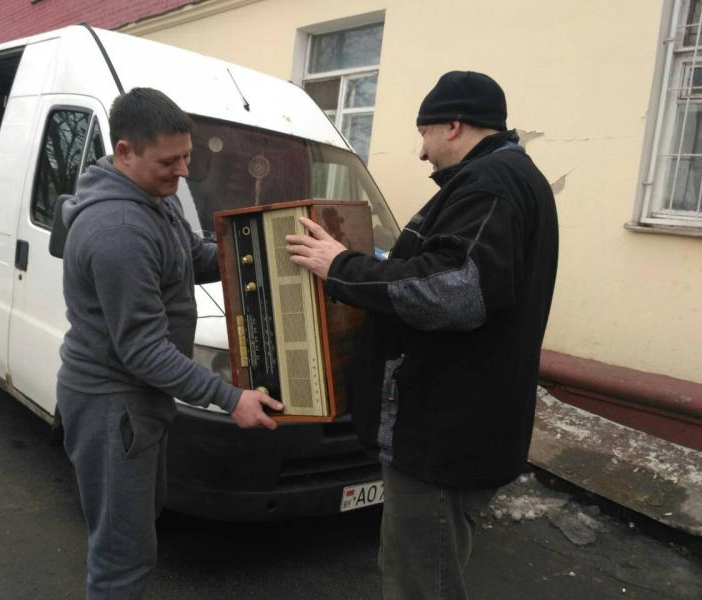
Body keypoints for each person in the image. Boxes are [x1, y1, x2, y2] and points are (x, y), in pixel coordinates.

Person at [286, 71, 558, 599]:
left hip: (441, 436)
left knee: (419, 582)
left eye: (424, 134)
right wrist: (377, 263)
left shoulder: (489, 183)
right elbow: (457, 270)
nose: (421, 152)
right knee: (423, 567)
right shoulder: (507, 178)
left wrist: (342, 268)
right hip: (459, 428)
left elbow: (455, 290)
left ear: (453, 126)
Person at [56, 87, 282, 600]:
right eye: (168, 161)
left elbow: (188, 258)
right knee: (122, 557)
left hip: (139, 401)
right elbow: (142, 348)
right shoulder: (118, 228)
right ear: (124, 152)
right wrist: (229, 398)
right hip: (113, 406)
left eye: (187, 156)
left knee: (136, 531)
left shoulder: (154, 200)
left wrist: (256, 251)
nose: (183, 171)